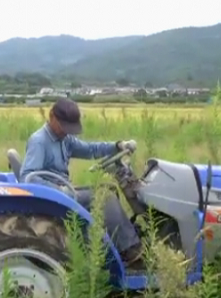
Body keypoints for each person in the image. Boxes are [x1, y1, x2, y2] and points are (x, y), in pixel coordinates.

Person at [19, 98, 144, 269]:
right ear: (52, 117)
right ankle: (130, 249)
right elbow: (28, 177)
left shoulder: (64, 139)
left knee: (109, 190)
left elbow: (90, 149)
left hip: (64, 191)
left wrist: (117, 146)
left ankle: (115, 246)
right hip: (55, 198)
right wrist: (59, 190)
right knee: (103, 196)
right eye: (64, 126)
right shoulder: (39, 141)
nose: (66, 131)